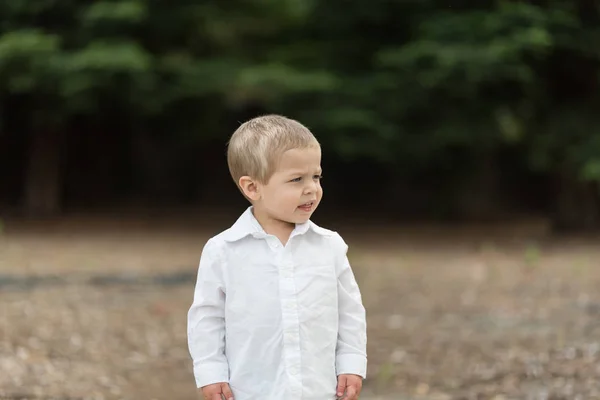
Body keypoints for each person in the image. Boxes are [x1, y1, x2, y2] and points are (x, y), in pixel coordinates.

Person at [187, 115, 367, 400]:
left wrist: (351, 364)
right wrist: (211, 373)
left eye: (316, 176)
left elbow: (349, 312)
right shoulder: (223, 250)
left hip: (318, 388)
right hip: (251, 388)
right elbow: (207, 318)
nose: (311, 188)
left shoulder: (329, 246)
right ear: (252, 187)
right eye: (297, 179)